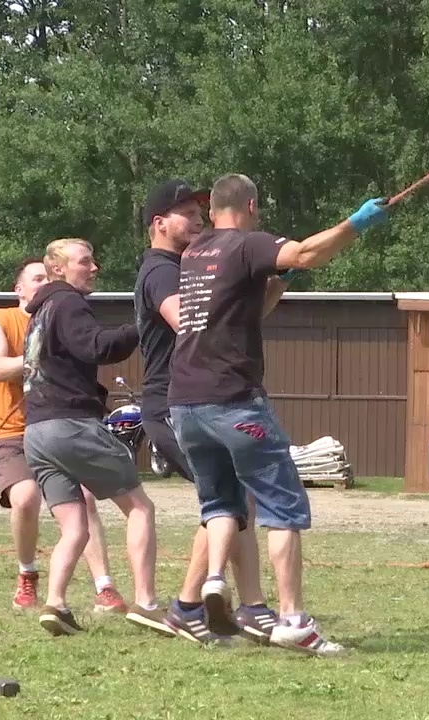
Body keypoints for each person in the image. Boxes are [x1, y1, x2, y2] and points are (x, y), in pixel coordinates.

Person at [168, 173, 388, 656]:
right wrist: (356, 223)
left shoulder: (195, 254)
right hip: (234, 400)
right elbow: (308, 253)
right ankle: (293, 621)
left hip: (185, 404)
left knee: (220, 504)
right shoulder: (248, 244)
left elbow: (248, 312)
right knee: (283, 507)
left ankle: (211, 583)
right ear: (250, 206)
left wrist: (278, 283)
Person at [133, 179, 276, 645]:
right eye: (186, 214)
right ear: (159, 224)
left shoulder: (188, 266)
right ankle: (190, 606)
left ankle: (242, 606)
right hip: (173, 401)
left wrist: (267, 286)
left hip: (189, 399)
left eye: (201, 212)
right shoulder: (161, 270)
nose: (198, 220)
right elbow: (191, 320)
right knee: (227, 502)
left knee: (236, 501)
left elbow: (238, 318)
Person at [22, 238, 169, 637]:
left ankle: (56, 605)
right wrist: (143, 327)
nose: (94, 268)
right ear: (58, 269)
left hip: (36, 432)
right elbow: (97, 347)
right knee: (140, 508)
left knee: (75, 528)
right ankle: (147, 603)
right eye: (85, 261)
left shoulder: (40, 313)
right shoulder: (68, 303)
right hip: (71, 424)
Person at [0, 257, 125, 613]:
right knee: (26, 497)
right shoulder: (0, 319)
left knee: (86, 501)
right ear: (19, 289)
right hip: (10, 431)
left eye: (48, 277)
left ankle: (104, 587)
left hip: (59, 426)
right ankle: (27, 574)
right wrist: (42, 357)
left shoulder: (63, 315)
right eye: (35, 278)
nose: (43, 283)